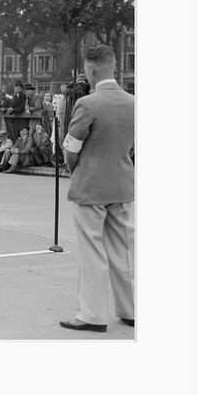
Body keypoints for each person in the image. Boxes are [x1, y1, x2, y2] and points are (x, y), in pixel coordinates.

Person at [59, 45, 135, 333]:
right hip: (123, 184)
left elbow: (71, 148)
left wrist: (75, 171)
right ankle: (130, 310)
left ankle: (92, 315)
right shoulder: (133, 102)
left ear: (91, 69)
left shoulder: (88, 104)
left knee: (92, 251)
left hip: (90, 186)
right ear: (113, 67)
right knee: (123, 250)